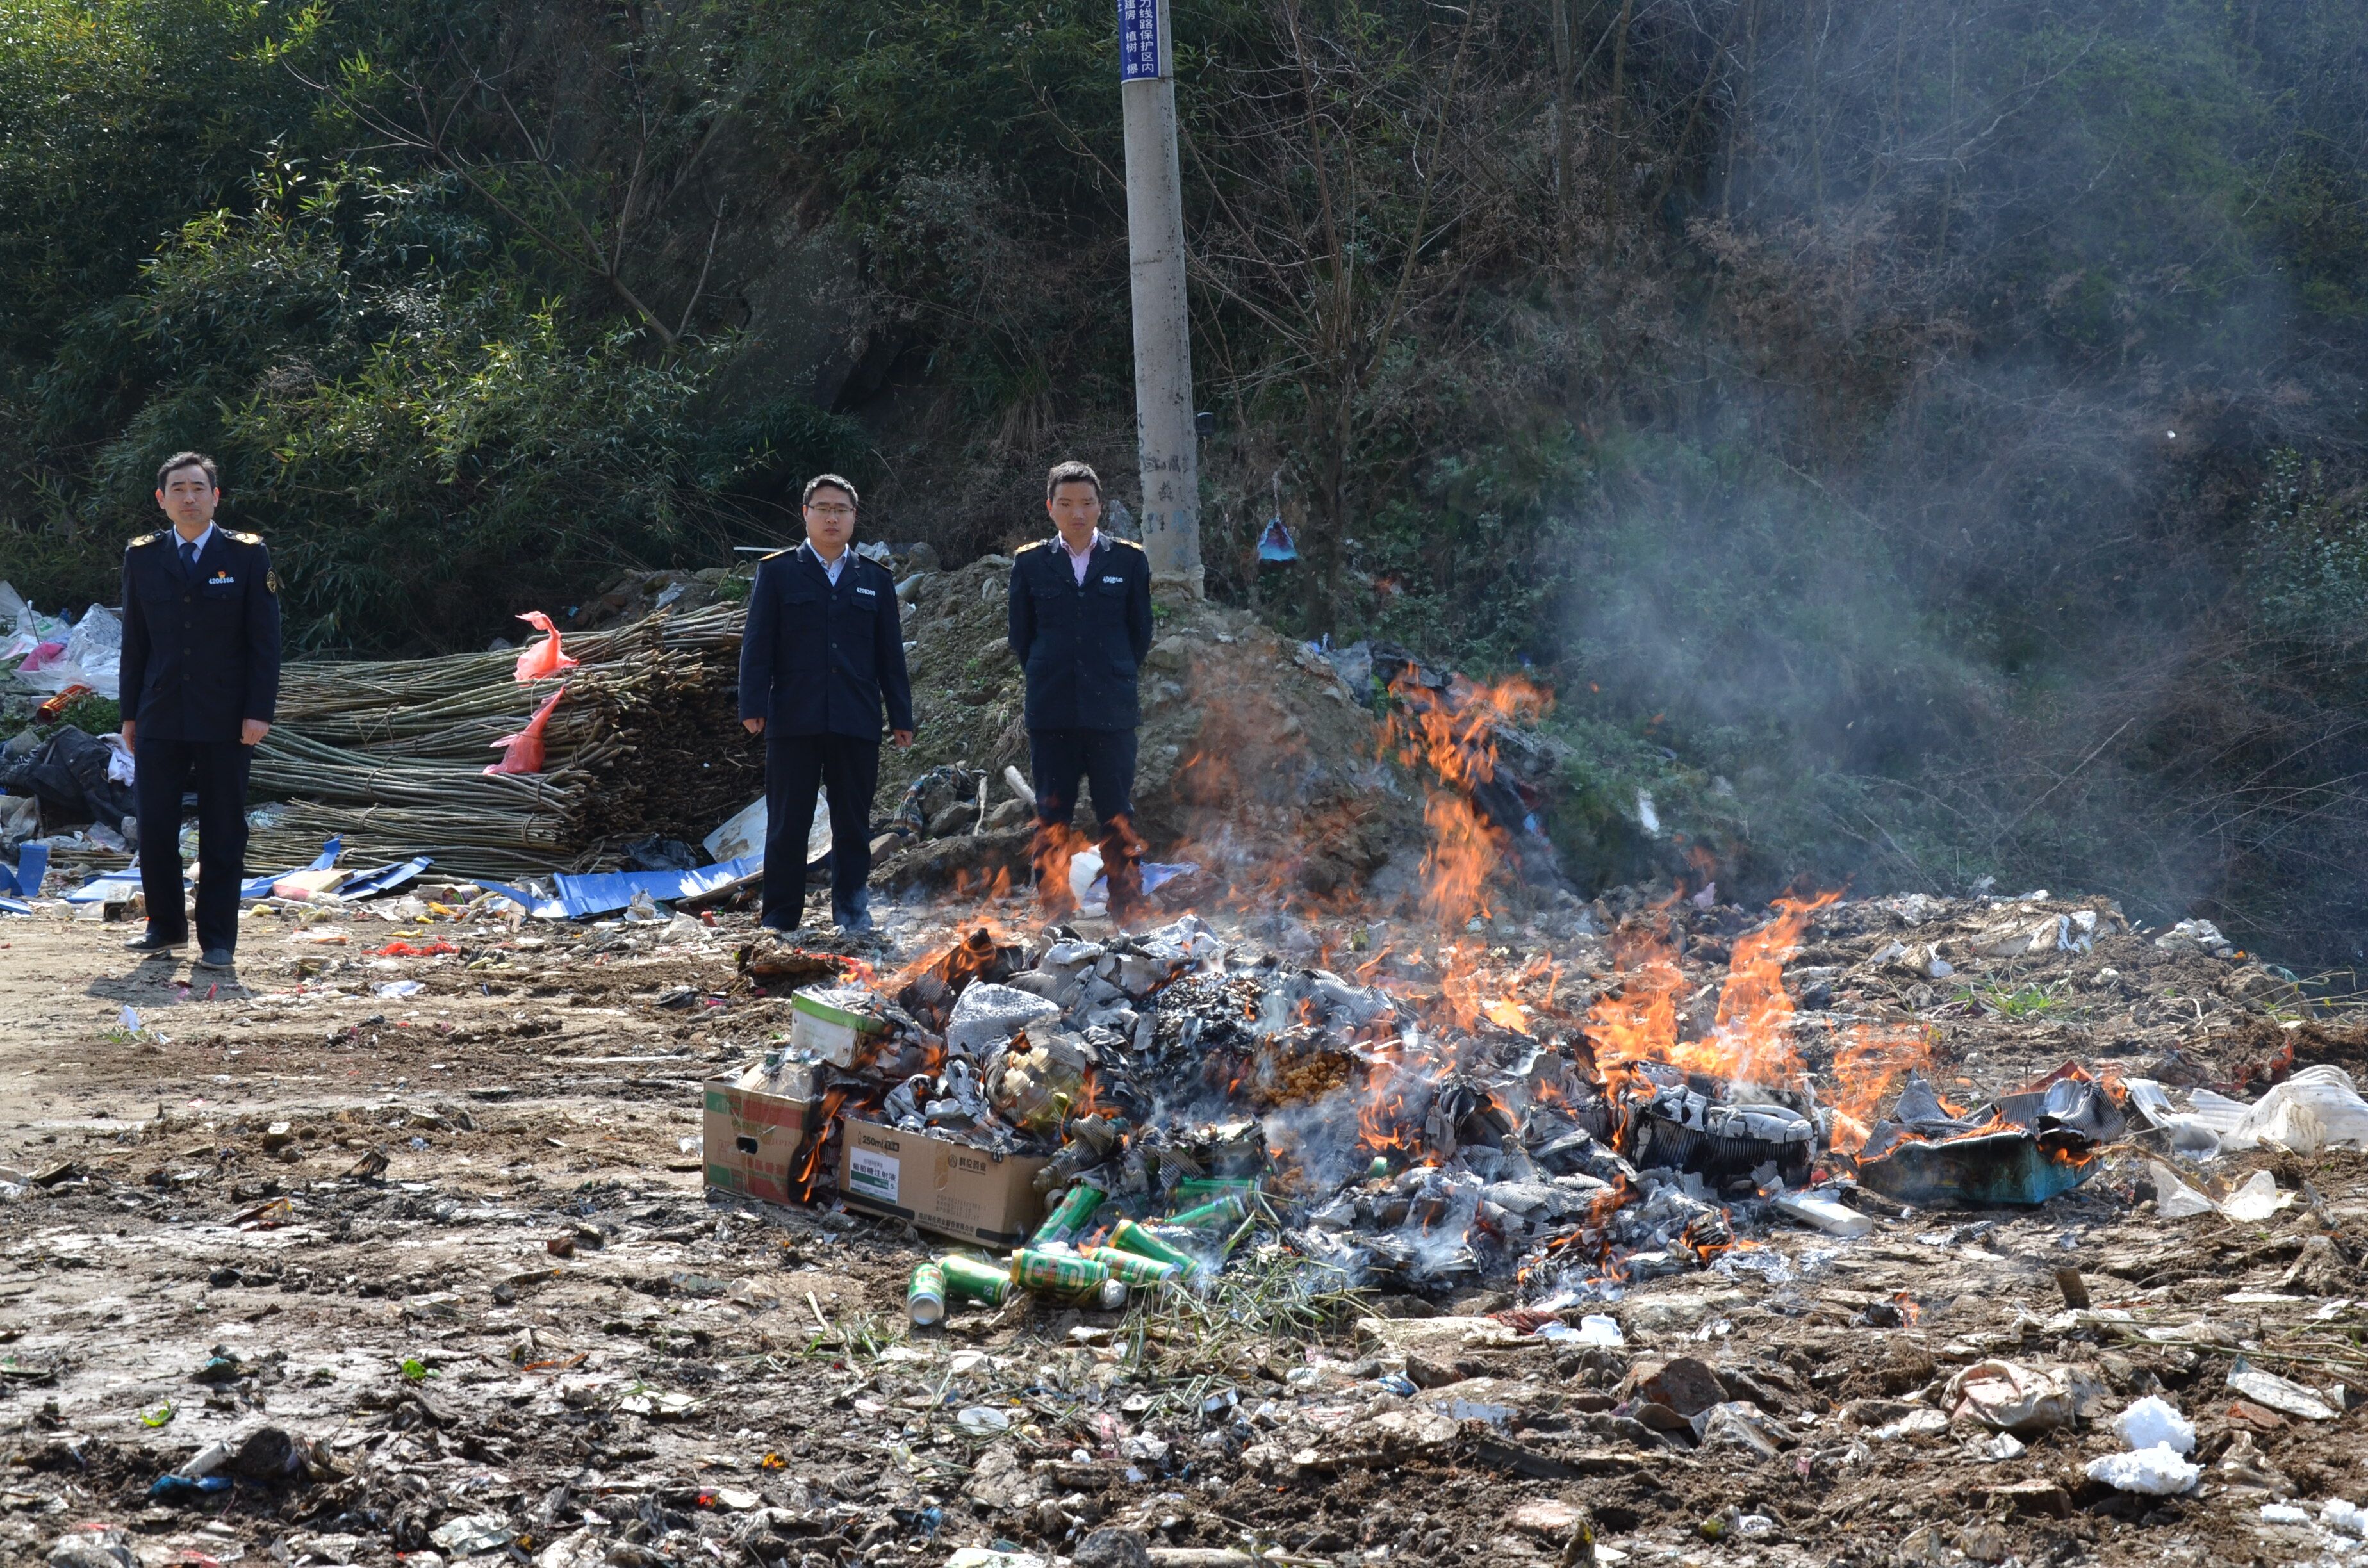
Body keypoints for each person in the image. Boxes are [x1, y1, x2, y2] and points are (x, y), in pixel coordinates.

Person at [118, 451, 282, 969]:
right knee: (156, 825)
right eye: (178, 489)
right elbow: (134, 644)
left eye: (198, 488)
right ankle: (165, 927)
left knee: (223, 829)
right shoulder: (143, 557)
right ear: (162, 500)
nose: (189, 498)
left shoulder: (247, 556)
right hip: (161, 713)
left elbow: (265, 643)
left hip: (225, 716)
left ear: (216, 497)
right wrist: (129, 715)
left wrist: (259, 711)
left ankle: (218, 940)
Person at [739, 474, 914, 935]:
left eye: (841, 509)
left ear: (854, 517)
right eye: (823, 508)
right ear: (806, 514)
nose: (832, 517)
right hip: (794, 717)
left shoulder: (874, 580)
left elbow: (890, 657)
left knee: (853, 826)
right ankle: (779, 918)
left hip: (855, 718)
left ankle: (852, 915)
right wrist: (752, 704)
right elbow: (757, 646)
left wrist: (901, 715)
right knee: (787, 825)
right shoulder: (777, 573)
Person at [1008, 460, 1153, 922]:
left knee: (1117, 809)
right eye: (1067, 504)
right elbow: (1021, 638)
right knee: (1052, 811)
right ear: (1051, 508)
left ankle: (1126, 902)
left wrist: (1110, 673)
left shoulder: (1129, 560)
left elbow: (1140, 635)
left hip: (1112, 708)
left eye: (1087, 503)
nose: (1078, 513)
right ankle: (1054, 906)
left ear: (1100, 507)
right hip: (1052, 708)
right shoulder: (1030, 564)